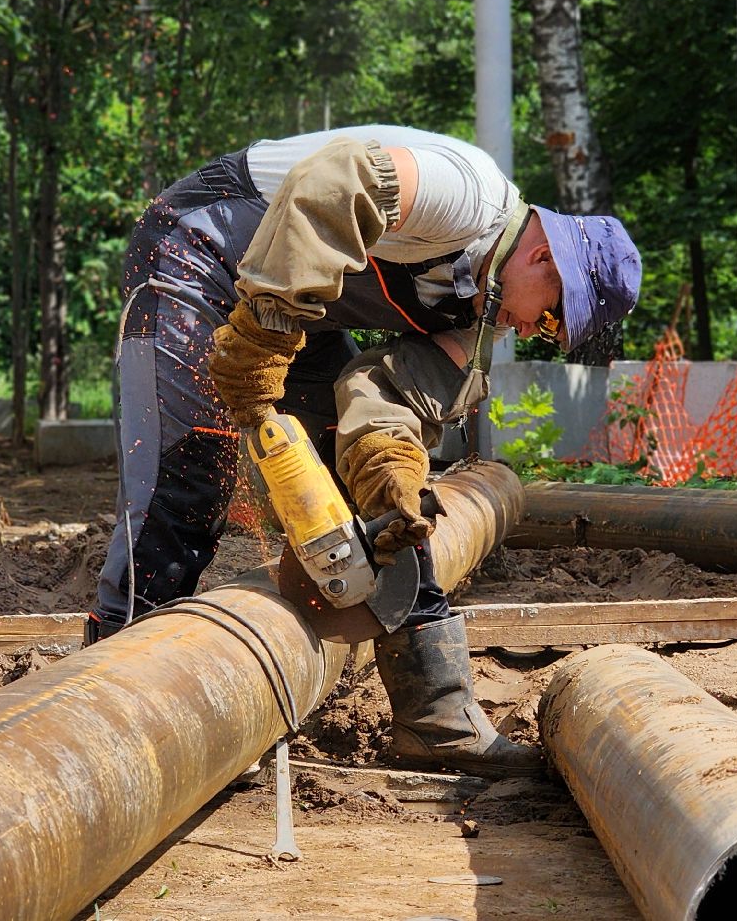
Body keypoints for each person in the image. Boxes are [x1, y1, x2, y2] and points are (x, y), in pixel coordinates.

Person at [86, 125, 641, 775]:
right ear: (544, 259)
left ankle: (436, 718)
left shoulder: (477, 317)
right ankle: (114, 701)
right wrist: (265, 335)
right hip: (199, 246)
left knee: (384, 515)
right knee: (189, 475)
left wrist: (388, 475)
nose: (531, 331)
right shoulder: (469, 195)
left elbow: (387, 401)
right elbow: (337, 179)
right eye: (549, 317)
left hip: (300, 305)